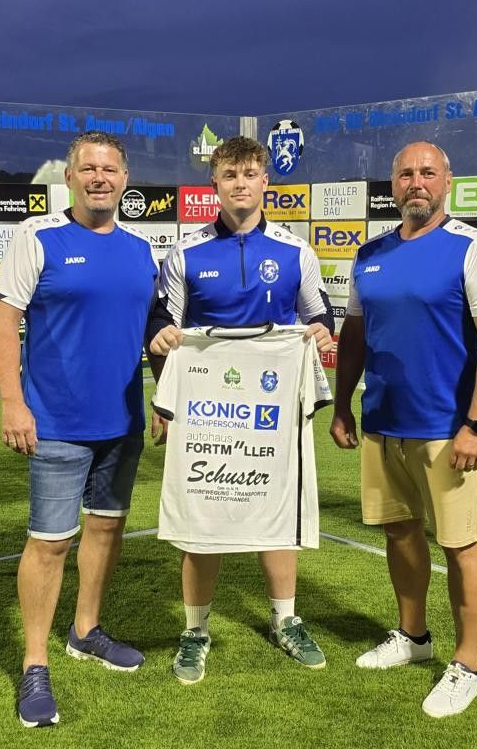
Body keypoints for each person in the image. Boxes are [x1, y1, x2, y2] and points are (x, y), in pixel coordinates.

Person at [330, 141, 477, 718]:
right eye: (406, 173)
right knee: (400, 534)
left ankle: (467, 665)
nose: (417, 181)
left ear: (447, 182)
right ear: (392, 184)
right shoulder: (370, 254)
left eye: (428, 172)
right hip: (385, 425)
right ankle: (413, 637)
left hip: (447, 430)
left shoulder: (472, 248)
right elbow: (354, 339)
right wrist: (342, 407)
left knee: (461, 546)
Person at [147, 135, 335, 684]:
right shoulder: (186, 252)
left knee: (276, 512)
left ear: (265, 181)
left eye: (251, 173)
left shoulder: (296, 251)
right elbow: (161, 322)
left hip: (271, 407)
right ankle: (195, 631)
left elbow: (319, 313)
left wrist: (322, 330)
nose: (241, 184)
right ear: (215, 184)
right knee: (202, 512)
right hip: (206, 406)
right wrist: (160, 345)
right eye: (230, 175)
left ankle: (285, 619)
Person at [0, 131, 158, 728]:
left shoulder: (141, 250)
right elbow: (4, 319)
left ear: (125, 177)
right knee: (51, 541)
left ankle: (85, 630)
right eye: (87, 168)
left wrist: (165, 396)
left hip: (123, 422)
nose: (99, 178)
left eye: (109, 168)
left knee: (107, 530)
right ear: (69, 177)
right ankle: (35, 663)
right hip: (55, 420)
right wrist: (12, 402)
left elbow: (151, 332)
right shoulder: (37, 237)